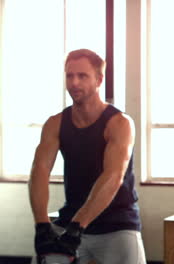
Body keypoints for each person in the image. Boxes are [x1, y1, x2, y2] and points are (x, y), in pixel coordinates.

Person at [28, 49, 146, 264]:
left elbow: (113, 176)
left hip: (117, 225)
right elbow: (40, 171)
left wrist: (77, 227)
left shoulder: (120, 123)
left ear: (99, 79)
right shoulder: (55, 124)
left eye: (82, 76)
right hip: (69, 220)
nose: (74, 82)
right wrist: (42, 225)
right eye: (69, 76)